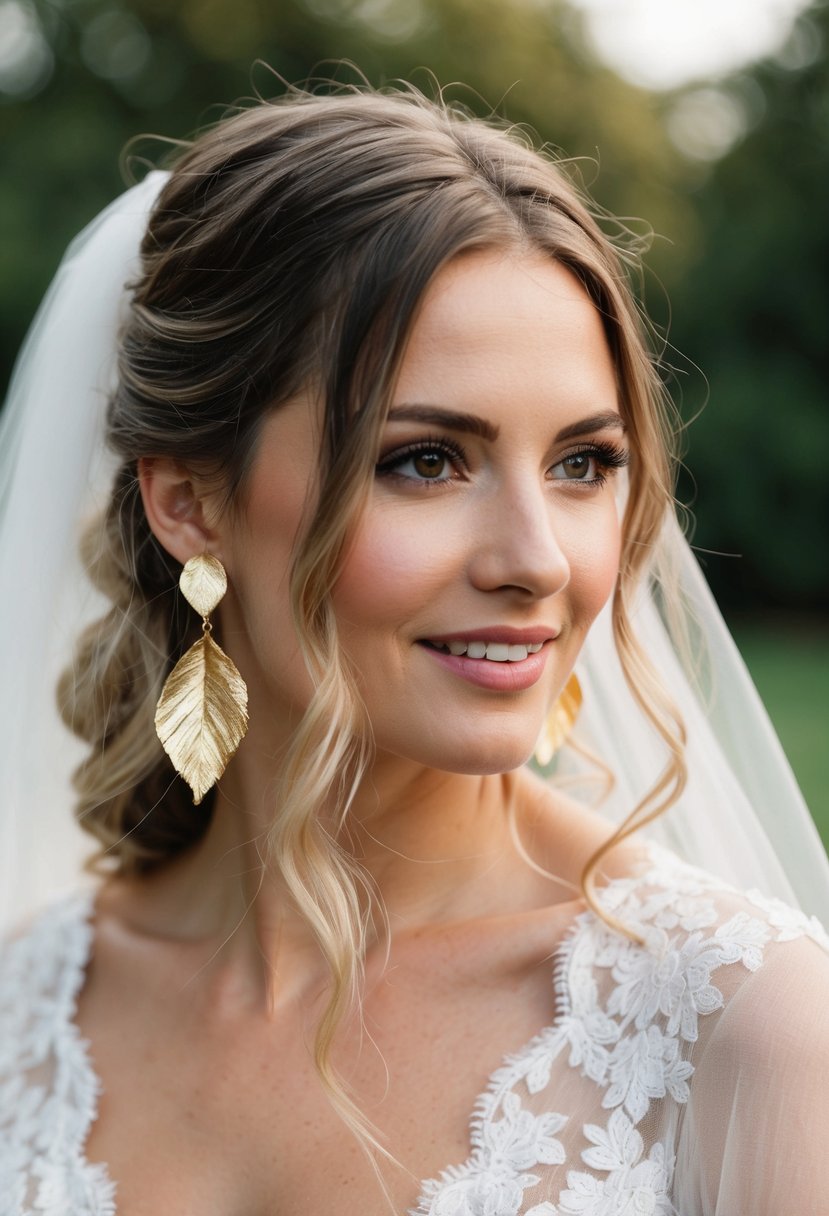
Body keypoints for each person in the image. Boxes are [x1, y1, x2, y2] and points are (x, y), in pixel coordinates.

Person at [1, 84, 828, 1216]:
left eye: (583, 463)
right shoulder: (23, 1003)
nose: (537, 560)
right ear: (189, 501)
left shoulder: (740, 1023)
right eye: (426, 460)